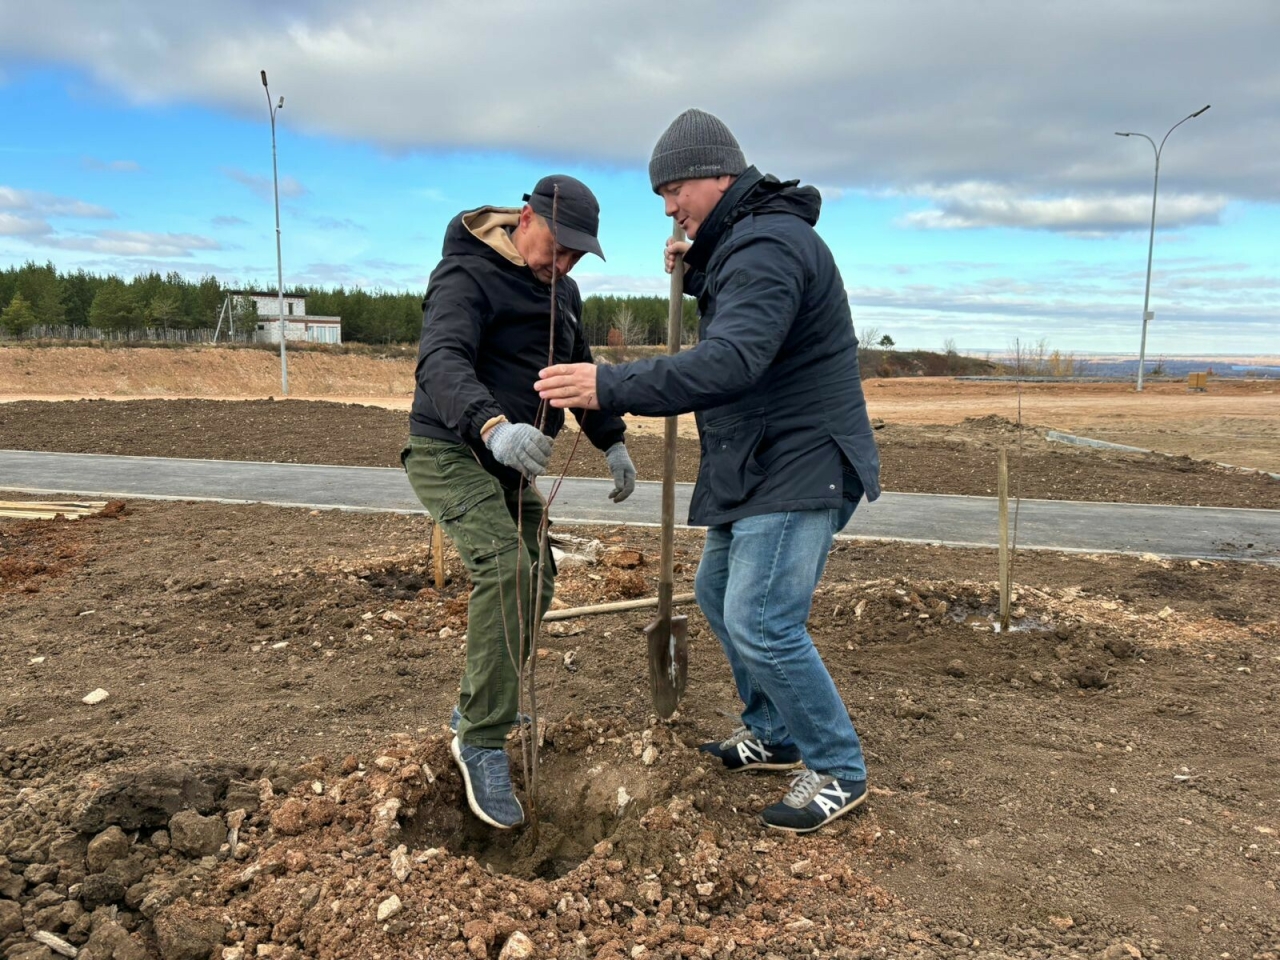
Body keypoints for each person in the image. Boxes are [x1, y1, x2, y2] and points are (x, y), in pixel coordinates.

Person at [535, 109, 881, 834]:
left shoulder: (766, 247)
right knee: (719, 589)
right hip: (765, 458)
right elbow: (752, 321)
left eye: (674, 189)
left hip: (800, 457)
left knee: (761, 617)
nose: (668, 207)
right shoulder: (749, 244)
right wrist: (699, 273)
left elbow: (732, 360)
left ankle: (837, 768)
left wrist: (609, 386)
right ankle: (776, 732)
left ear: (717, 175)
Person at [403, 175, 636, 829]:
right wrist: (493, 427)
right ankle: (478, 740)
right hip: (450, 452)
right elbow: (441, 361)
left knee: (539, 575)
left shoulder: (565, 294)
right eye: (558, 249)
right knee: (507, 568)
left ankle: (490, 701)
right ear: (525, 219)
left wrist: (611, 442)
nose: (562, 265)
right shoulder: (465, 274)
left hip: (508, 470)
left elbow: (578, 370)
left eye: (575, 258)